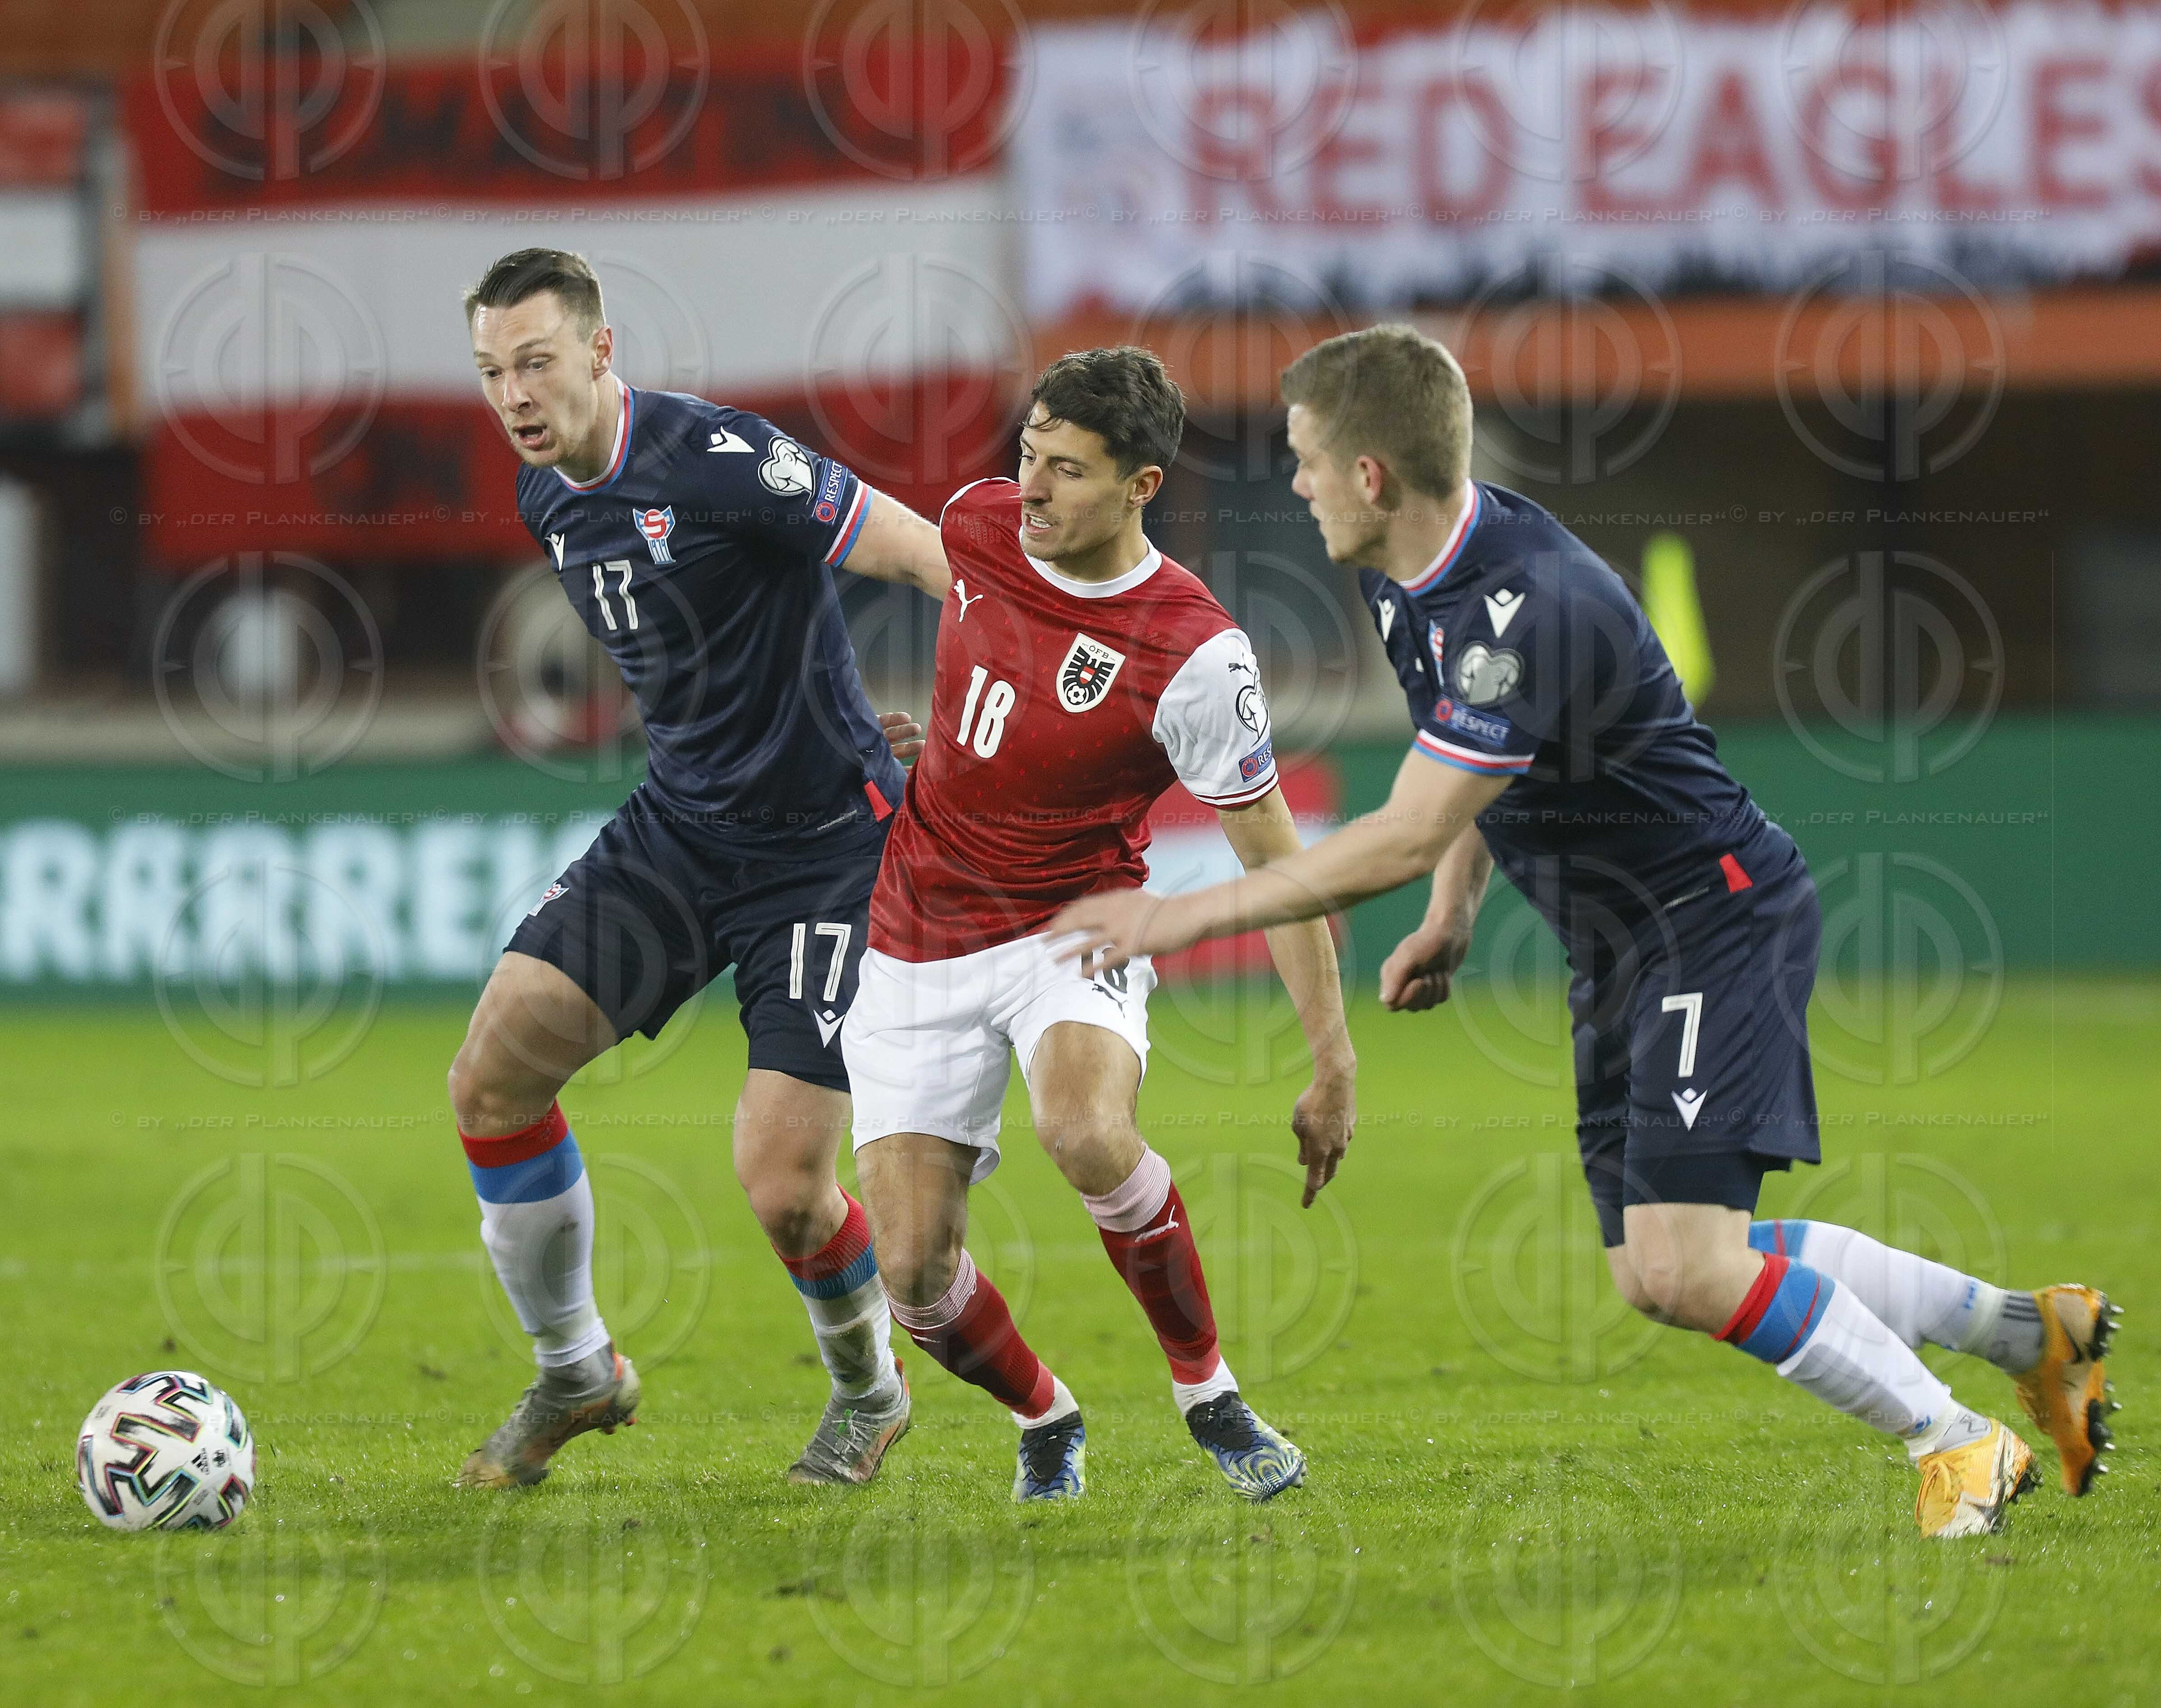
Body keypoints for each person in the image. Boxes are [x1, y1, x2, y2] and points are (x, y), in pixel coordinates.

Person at [1050, 324, 2117, 1538]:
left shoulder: (1523, 608)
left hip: (1709, 923)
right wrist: (1452, 913)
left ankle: (1958, 1445)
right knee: (1664, 1267)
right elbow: (1463, 765)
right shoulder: (1407, 569)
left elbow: (1401, 830)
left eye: (1301, 457)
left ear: (1368, 477)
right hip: (1621, 947)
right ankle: (2033, 1333)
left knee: (1687, 1264)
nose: (1288, 482)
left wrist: (1175, 915)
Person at [453, 247, 949, 1488]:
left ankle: (868, 1392)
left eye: (536, 362)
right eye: (490, 372)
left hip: (829, 853)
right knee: (492, 1077)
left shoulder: (723, 462)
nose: (514, 394)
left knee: (784, 1184)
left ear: (600, 351)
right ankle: (576, 1372)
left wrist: (970, 715)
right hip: (682, 833)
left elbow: (932, 556)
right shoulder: (548, 498)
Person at [844, 347, 1357, 1502]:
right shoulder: (979, 523)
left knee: (1081, 1127)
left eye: (1066, 471)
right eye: (1027, 453)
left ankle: (1209, 1392)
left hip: (1069, 930)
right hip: (916, 930)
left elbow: (1277, 863)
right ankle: (1046, 1412)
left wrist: (1332, 1058)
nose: (1030, 487)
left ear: (1140, 487)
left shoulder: (1193, 651)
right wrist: (941, 747)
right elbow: (976, 652)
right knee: (916, 1276)